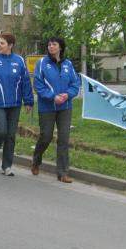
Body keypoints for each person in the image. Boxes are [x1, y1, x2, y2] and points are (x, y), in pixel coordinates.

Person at [0, 31, 33, 176]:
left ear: (10, 45)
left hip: (15, 104)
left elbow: (25, 82)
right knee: (1, 131)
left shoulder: (19, 60)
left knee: (10, 135)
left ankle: (7, 166)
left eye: (2, 43)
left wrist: (28, 101)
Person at [31, 37, 80, 183]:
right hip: (47, 107)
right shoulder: (41, 63)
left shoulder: (68, 64)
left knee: (63, 139)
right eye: (49, 44)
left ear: (60, 47)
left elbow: (75, 83)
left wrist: (68, 95)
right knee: (46, 136)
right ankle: (36, 160)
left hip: (65, 107)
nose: (51, 46)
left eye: (54, 44)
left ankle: (63, 173)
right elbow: (38, 85)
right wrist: (53, 97)